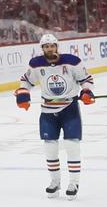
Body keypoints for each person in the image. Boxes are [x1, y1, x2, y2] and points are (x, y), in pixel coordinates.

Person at [14, 33, 93, 198]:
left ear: (57, 46)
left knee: (72, 146)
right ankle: (55, 182)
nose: (50, 49)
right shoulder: (36, 64)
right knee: (50, 148)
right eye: (46, 46)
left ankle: (73, 183)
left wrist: (86, 91)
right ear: (42, 48)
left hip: (69, 108)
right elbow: (26, 81)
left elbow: (86, 79)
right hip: (47, 111)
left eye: (52, 46)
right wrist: (23, 94)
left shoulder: (72, 61)